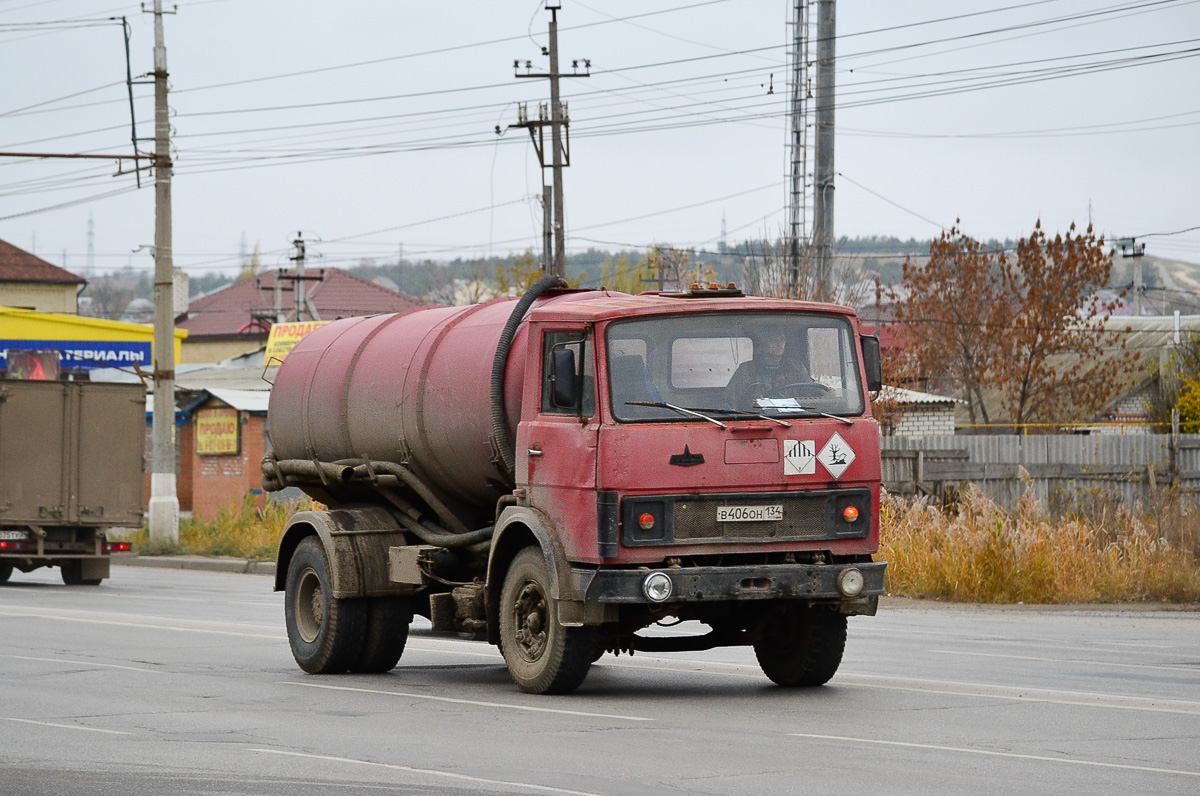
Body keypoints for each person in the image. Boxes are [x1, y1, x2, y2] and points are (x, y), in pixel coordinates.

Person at [726, 325, 822, 410]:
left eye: (782, 338)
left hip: (793, 418)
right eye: (773, 339)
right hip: (756, 419)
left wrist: (825, 395)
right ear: (763, 343)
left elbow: (811, 394)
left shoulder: (796, 368)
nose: (779, 343)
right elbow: (730, 400)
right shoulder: (747, 369)